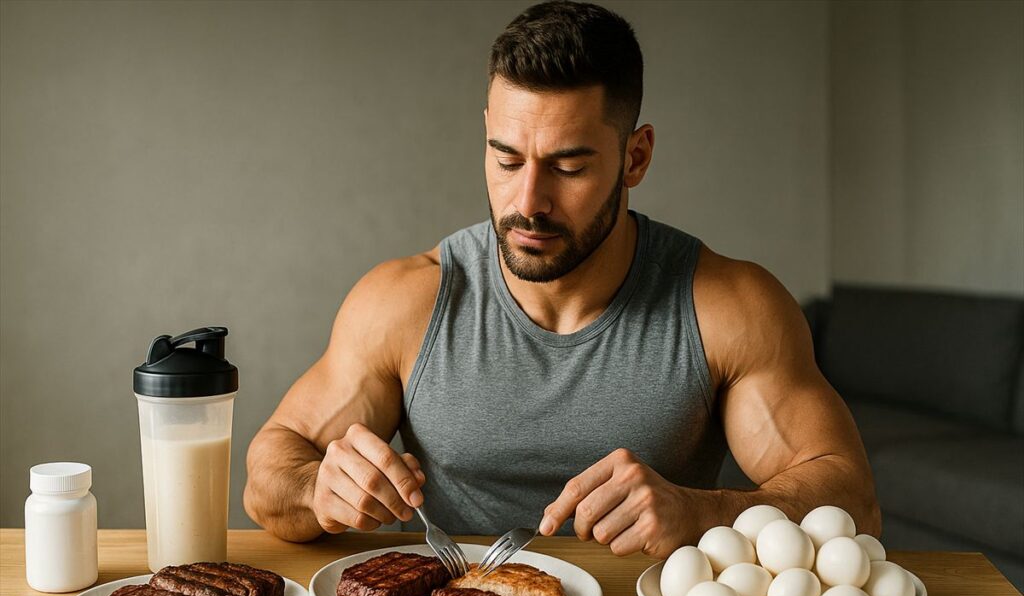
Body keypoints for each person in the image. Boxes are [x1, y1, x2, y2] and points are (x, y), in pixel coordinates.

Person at [244, 0, 880, 558]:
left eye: (568, 167)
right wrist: (317, 489)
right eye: (507, 159)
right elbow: (269, 475)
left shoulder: (729, 306)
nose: (528, 201)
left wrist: (702, 513)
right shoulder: (406, 301)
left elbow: (851, 502)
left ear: (636, 157)